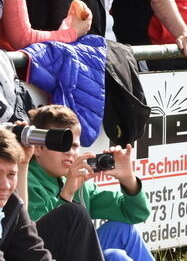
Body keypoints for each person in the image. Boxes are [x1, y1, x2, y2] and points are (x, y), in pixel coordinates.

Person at [27, 105, 153, 261]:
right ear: (38, 148)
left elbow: (136, 213)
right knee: (115, 257)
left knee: (123, 230)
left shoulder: (75, 180)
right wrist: (67, 194)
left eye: (74, 146)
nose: (69, 152)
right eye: (62, 144)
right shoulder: (26, 182)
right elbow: (39, 245)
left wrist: (128, 179)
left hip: (78, 251)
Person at [0, 127, 107, 261]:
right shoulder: (32, 184)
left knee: (116, 249)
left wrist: (129, 180)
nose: (5, 185)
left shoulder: (13, 202)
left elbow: (32, 251)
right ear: (39, 149)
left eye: (11, 175)